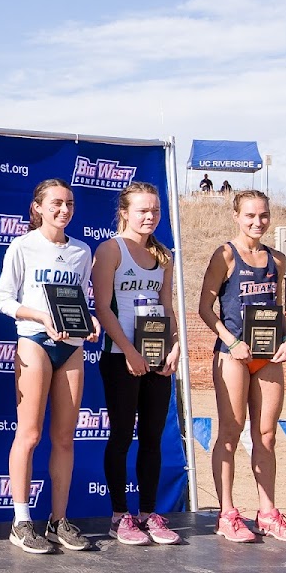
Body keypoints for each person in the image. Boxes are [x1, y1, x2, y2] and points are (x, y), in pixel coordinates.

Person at [0, 178, 100, 554]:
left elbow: (80, 300)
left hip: (71, 347)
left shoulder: (82, 251)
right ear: (37, 207)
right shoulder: (22, 246)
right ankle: (21, 520)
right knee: (30, 434)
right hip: (34, 342)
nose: (64, 210)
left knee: (64, 438)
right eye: (56, 203)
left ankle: (58, 520)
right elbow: (4, 300)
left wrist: (91, 321)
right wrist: (41, 317)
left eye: (69, 203)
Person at [198, 189, 286, 543]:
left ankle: (268, 512)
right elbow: (204, 309)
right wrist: (232, 341)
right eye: (250, 216)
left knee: (267, 435)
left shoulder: (278, 259)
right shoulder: (225, 255)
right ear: (236, 216)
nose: (258, 222)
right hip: (234, 356)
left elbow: (280, 312)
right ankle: (227, 512)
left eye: (264, 215)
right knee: (230, 432)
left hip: (268, 355)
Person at [90, 183, 182, 546]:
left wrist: (175, 347)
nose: (150, 217)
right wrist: (129, 351)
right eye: (142, 210)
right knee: (122, 435)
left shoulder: (163, 254)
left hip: (158, 357)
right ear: (125, 212)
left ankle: (148, 513)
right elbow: (101, 307)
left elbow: (167, 306)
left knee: (153, 438)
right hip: (120, 357)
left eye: (155, 210)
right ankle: (118, 515)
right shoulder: (110, 249)